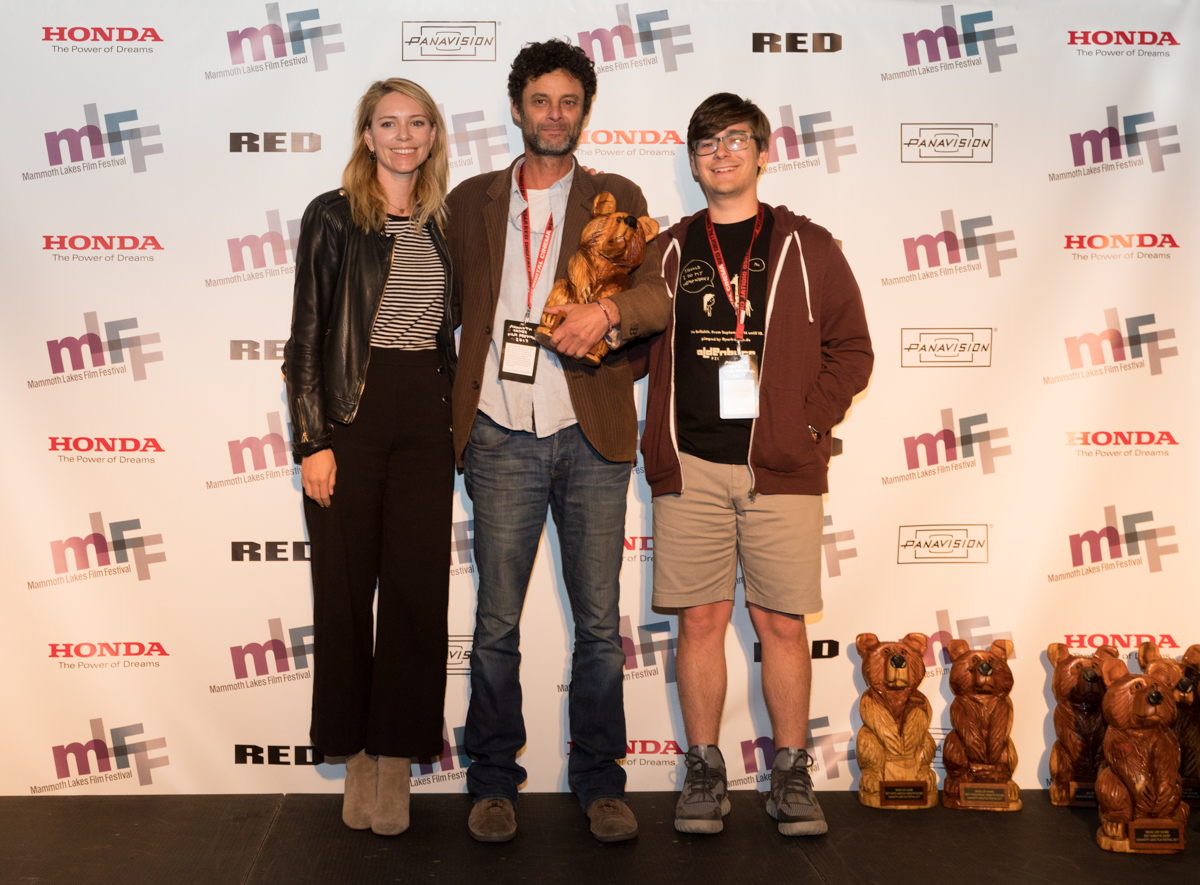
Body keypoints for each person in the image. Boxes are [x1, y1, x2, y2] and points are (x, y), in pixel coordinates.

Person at [445, 39, 670, 843]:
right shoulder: (469, 201)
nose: (554, 115)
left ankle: (601, 781)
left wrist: (607, 312)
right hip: (500, 432)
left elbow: (657, 295)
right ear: (517, 108)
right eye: (540, 100)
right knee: (496, 624)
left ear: (584, 111)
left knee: (601, 626)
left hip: (590, 432)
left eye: (569, 102)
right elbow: (438, 310)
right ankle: (491, 780)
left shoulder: (618, 196)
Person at [633, 93, 873, 836]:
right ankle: (704, 770)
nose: (723, 153)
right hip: (690, 464)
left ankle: (791, 772)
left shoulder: (810, 245)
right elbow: (633, 347)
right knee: (701, 620)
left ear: (763, 153)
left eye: (737, 140)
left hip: (780, 466)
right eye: (708, 143)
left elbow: (852, 350)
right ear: (692, 160)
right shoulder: (665, 251)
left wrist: (805, 423)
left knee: (781, 623)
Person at [283, 78, 457, 837]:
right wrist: (312, 439)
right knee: (345, 593)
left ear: (433, 135)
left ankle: (395, 756)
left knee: (417, 595)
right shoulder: (334, 215)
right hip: (350, 415)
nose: (403, 136)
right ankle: (353, 750)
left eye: (417, 123)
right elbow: (306, 336)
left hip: (426, 415)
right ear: (367, 135)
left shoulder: (446, 220)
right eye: (388, 123)